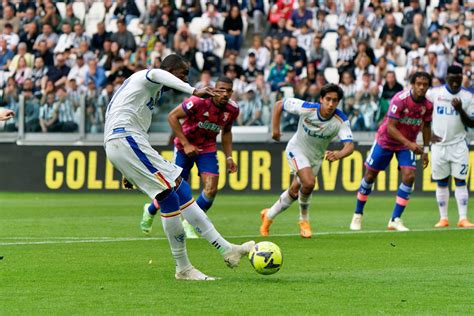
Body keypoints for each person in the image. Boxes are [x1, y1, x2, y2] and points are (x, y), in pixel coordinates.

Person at [104, 54, 254, 281]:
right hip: (125, 138)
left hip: (127, 143)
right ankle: (184, 268)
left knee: (179, 190)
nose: (185, 77)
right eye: (182, 73)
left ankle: (226, 249)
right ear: (170, 70)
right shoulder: (148, 76)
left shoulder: (147, 94)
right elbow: (156, 73)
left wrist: (127, 168)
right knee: (169, 198)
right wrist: (192, 89)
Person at [141, 76, 239, 238]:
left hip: (207, 149)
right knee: (172, 189)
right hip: (183, 147)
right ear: (214, 89)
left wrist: (229, 157)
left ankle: (190, 223)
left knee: (211, 189)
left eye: (228, 91)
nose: (224, 94)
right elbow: (172, 116)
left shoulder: (232, 109)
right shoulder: (199, 101)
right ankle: (150, 210)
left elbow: (226, 132)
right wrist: (186, 144)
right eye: (221, 89)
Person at [260, 84, 355, 238]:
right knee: (309, 183)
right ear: (321, 99)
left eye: (335, 101)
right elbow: (279, 104)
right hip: (296, 149)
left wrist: (338, 155)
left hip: (316, 157)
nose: (331, 104)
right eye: (328, 99)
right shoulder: (307, 108)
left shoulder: (341, 120)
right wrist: (275, 130)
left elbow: (349, 146)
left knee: (294, 191)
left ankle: (268, 216)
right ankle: (304, 221)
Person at [350, 72, 433, 232]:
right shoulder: (400, 100)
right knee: (370, 176)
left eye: (425, 84)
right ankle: (357, 214)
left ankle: (395, 219)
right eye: (418, 84)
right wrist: (410, 143)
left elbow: (427, 126)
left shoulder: (428, 106)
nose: (421, 87)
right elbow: (390, 127)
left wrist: (426, 150)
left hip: (406, 145)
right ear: (412, 84)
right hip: (386, 140)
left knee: (409, 177)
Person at [426, 65, 474, 228]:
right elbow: (419, 111)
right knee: (441, 181)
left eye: (458, 80)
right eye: (452, 80)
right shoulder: (434, 93)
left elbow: (472, 123)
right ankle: (443, 218)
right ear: (447, 78)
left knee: (460, 180)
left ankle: (463, 218)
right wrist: (426, 134)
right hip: (438, 145)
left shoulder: (468, 96)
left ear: (462, 78)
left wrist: (460, 110)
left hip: (459, 144)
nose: (455, 84)